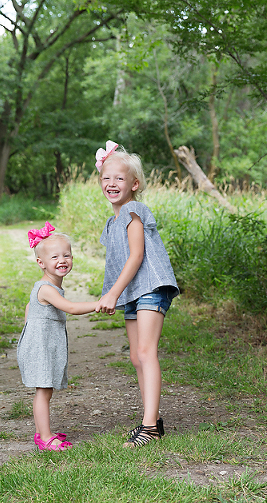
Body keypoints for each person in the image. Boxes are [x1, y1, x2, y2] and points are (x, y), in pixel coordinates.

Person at [94, 140, 180, 448]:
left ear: (134, 184)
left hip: (151, 287)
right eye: (106, 178)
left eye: (119, 178)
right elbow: (117, 262)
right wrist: (114, 292)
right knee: (135, 356)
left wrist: (112, 294)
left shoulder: (133, 210)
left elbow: (136, 257)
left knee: (146, 352)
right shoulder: (111, 221)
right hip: (134, 291)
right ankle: (151, 419)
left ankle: (149, 427)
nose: (112, 183)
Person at [18, 222, 99, 451]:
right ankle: (44, 438)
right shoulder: (46, 288)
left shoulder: (47, 287)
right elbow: (71, 308)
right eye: (55, 257)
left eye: (67, 255)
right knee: (43, 391)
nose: (62, 260)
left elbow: (28, 309)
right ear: (41, 263)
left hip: (43, 345)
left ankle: (45, 432)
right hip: (40, 348)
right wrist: (98, 304)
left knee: (47, 390)